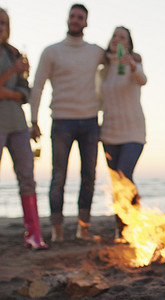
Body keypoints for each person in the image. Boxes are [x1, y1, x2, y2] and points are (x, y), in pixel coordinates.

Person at [29, 3, 105, 242]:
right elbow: (38, 86)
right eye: (72, 16)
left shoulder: (95, 51)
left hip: (91, 121)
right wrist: (33, 119)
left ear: (86, 22)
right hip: (61, 121)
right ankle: (57, 229)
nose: (75, 20)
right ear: (67, 19)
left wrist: (135, 56)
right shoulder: (51, 51)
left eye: (80, 17)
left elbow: (118, 56)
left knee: (89, 176)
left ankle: (83, 227)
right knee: (58, 176)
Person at [0, 7, 48, 250]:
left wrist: (7, 92)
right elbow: (17, 89)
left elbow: (26, 93)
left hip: (18, 125)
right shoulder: (14, 62)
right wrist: (12, 72)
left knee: (27, 178)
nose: (2, 27)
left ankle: (34, 234)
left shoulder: (14, 52)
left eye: (5, 23)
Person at [99, 26, 147, 240]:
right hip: (109, 131)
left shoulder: (133, 63)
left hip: (133, 131)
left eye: (122, 37)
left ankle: (132, 224)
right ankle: (121, 228)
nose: (117, 40)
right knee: (116, 182)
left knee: (124, 175)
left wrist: (132, 65)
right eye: (114, 36)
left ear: (128, 43)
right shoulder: (103, 68)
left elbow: (143, 79)